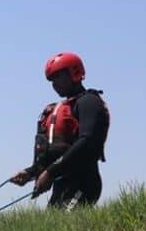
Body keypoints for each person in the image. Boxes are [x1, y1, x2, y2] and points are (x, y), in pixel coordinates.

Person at [10, 52, 110, 210]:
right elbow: (55, 153)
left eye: (58, 77)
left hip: (84, 183)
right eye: (51, 80)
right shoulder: (59, 108)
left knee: (67, 217)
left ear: (74, 73)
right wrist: (30, 173)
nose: (54, 83)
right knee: (51, 225)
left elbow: (87, 141)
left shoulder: (89, 102)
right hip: (61, 185)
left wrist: (50, 173)